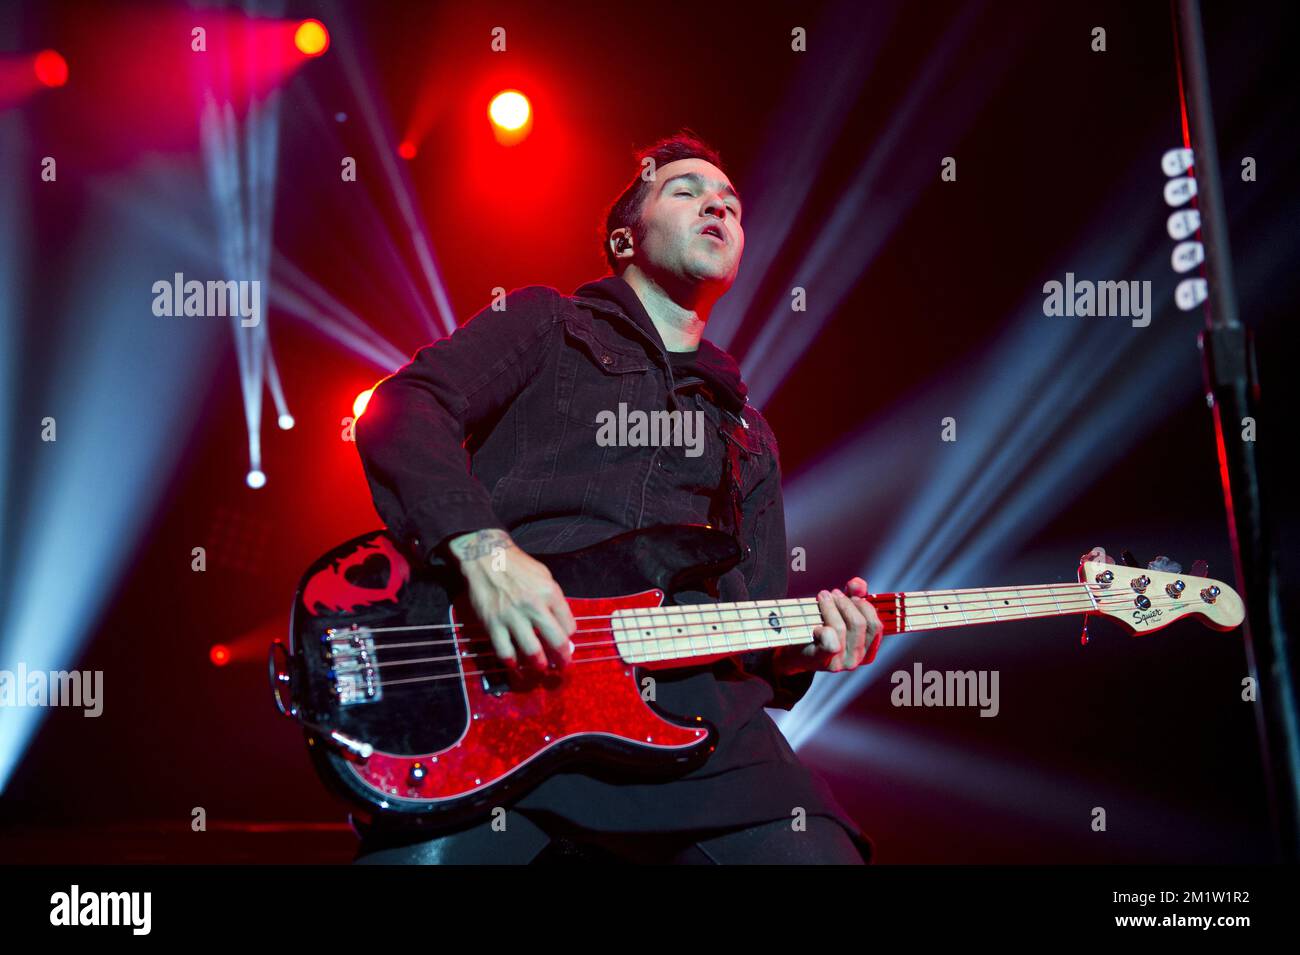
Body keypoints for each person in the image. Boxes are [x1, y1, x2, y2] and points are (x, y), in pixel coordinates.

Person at [352, 131, 883, 864]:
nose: (718, 207)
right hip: (509, 696)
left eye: (730, 202)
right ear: (623, 237)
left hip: (699, 735)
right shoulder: (547, 324)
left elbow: (751, 636)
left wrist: (803, 651)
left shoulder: (748, 435)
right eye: (687, 191)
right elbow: (403, 409)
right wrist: (485, 550)